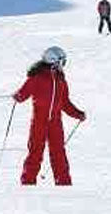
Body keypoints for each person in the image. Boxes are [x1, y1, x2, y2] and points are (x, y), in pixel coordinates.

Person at [13, 46, 86, 185]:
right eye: (61, 62)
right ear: (52, 61)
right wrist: (18, 96)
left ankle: (63, 182)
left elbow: (65, 103)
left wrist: (78, 114)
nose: (63, 66)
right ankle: (28, 182)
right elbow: (24, 92)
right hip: (39, 122)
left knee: (59, 153)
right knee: (35, 152)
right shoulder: (37, 77)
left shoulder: (61, 81)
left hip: (56, 123)